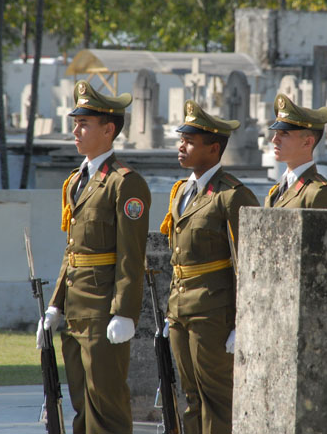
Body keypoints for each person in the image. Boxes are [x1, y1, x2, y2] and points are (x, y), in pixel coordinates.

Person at [38, 80, 151, 434]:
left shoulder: (124, 182)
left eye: (83, 123)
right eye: (76, 122)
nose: (75, 130)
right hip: (75, 312)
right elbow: (73, 252)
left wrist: (125, 312)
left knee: (107, 405)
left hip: (103, 311)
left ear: (108, 129)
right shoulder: (76, 181)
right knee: (81, 407)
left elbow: (131, 255)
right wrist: (55, 305)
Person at [159, 100, 259, 434]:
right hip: (180, 309)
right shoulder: (182, 192)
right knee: (190, 398)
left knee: (217, 399)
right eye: (181, 139)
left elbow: (249, 267)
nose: (181, 146)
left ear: (213, 148)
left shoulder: (232, 196)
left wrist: (240, 324)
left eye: (190, 141)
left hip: (214, 314)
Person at [265, 93, 327, 209]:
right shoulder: (277, 191)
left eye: (284, 133)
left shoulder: (322, 195)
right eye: (275, 133)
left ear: (307, 142)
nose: (274, 140)